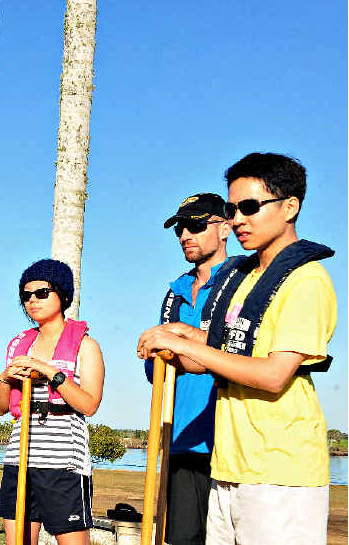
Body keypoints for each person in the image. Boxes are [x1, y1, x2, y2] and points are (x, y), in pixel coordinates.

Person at [137, 153, 335, 544]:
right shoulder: (246, 281)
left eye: (250, 207)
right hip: (230, 466)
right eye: (232, 208)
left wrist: (181, 340)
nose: (238, 218)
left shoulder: (306, 281)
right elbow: (223, 350)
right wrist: (177, 336)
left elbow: (274, 375)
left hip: (280, 471)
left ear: (290, 206)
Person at [0, 259, 104, 545]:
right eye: (26, 296)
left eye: (42, 293)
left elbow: (89, 405)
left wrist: (51, 372)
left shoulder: (85, 345)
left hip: (63, 463)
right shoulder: (20, 345)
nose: (32, 301)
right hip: (20, 459)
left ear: (63, 295)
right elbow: (0, 407)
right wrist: (5, 378)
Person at [143, 193, 233, 545]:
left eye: (196, 225)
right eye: (180, 228)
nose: (185, 235)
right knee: (182, 538)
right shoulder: (175, 291)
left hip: (228, 438)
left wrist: (185, 341)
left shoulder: (242, 280)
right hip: (181, 439)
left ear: (225, 228)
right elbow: (157, 371)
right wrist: (160, 356)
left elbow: (243, 346)